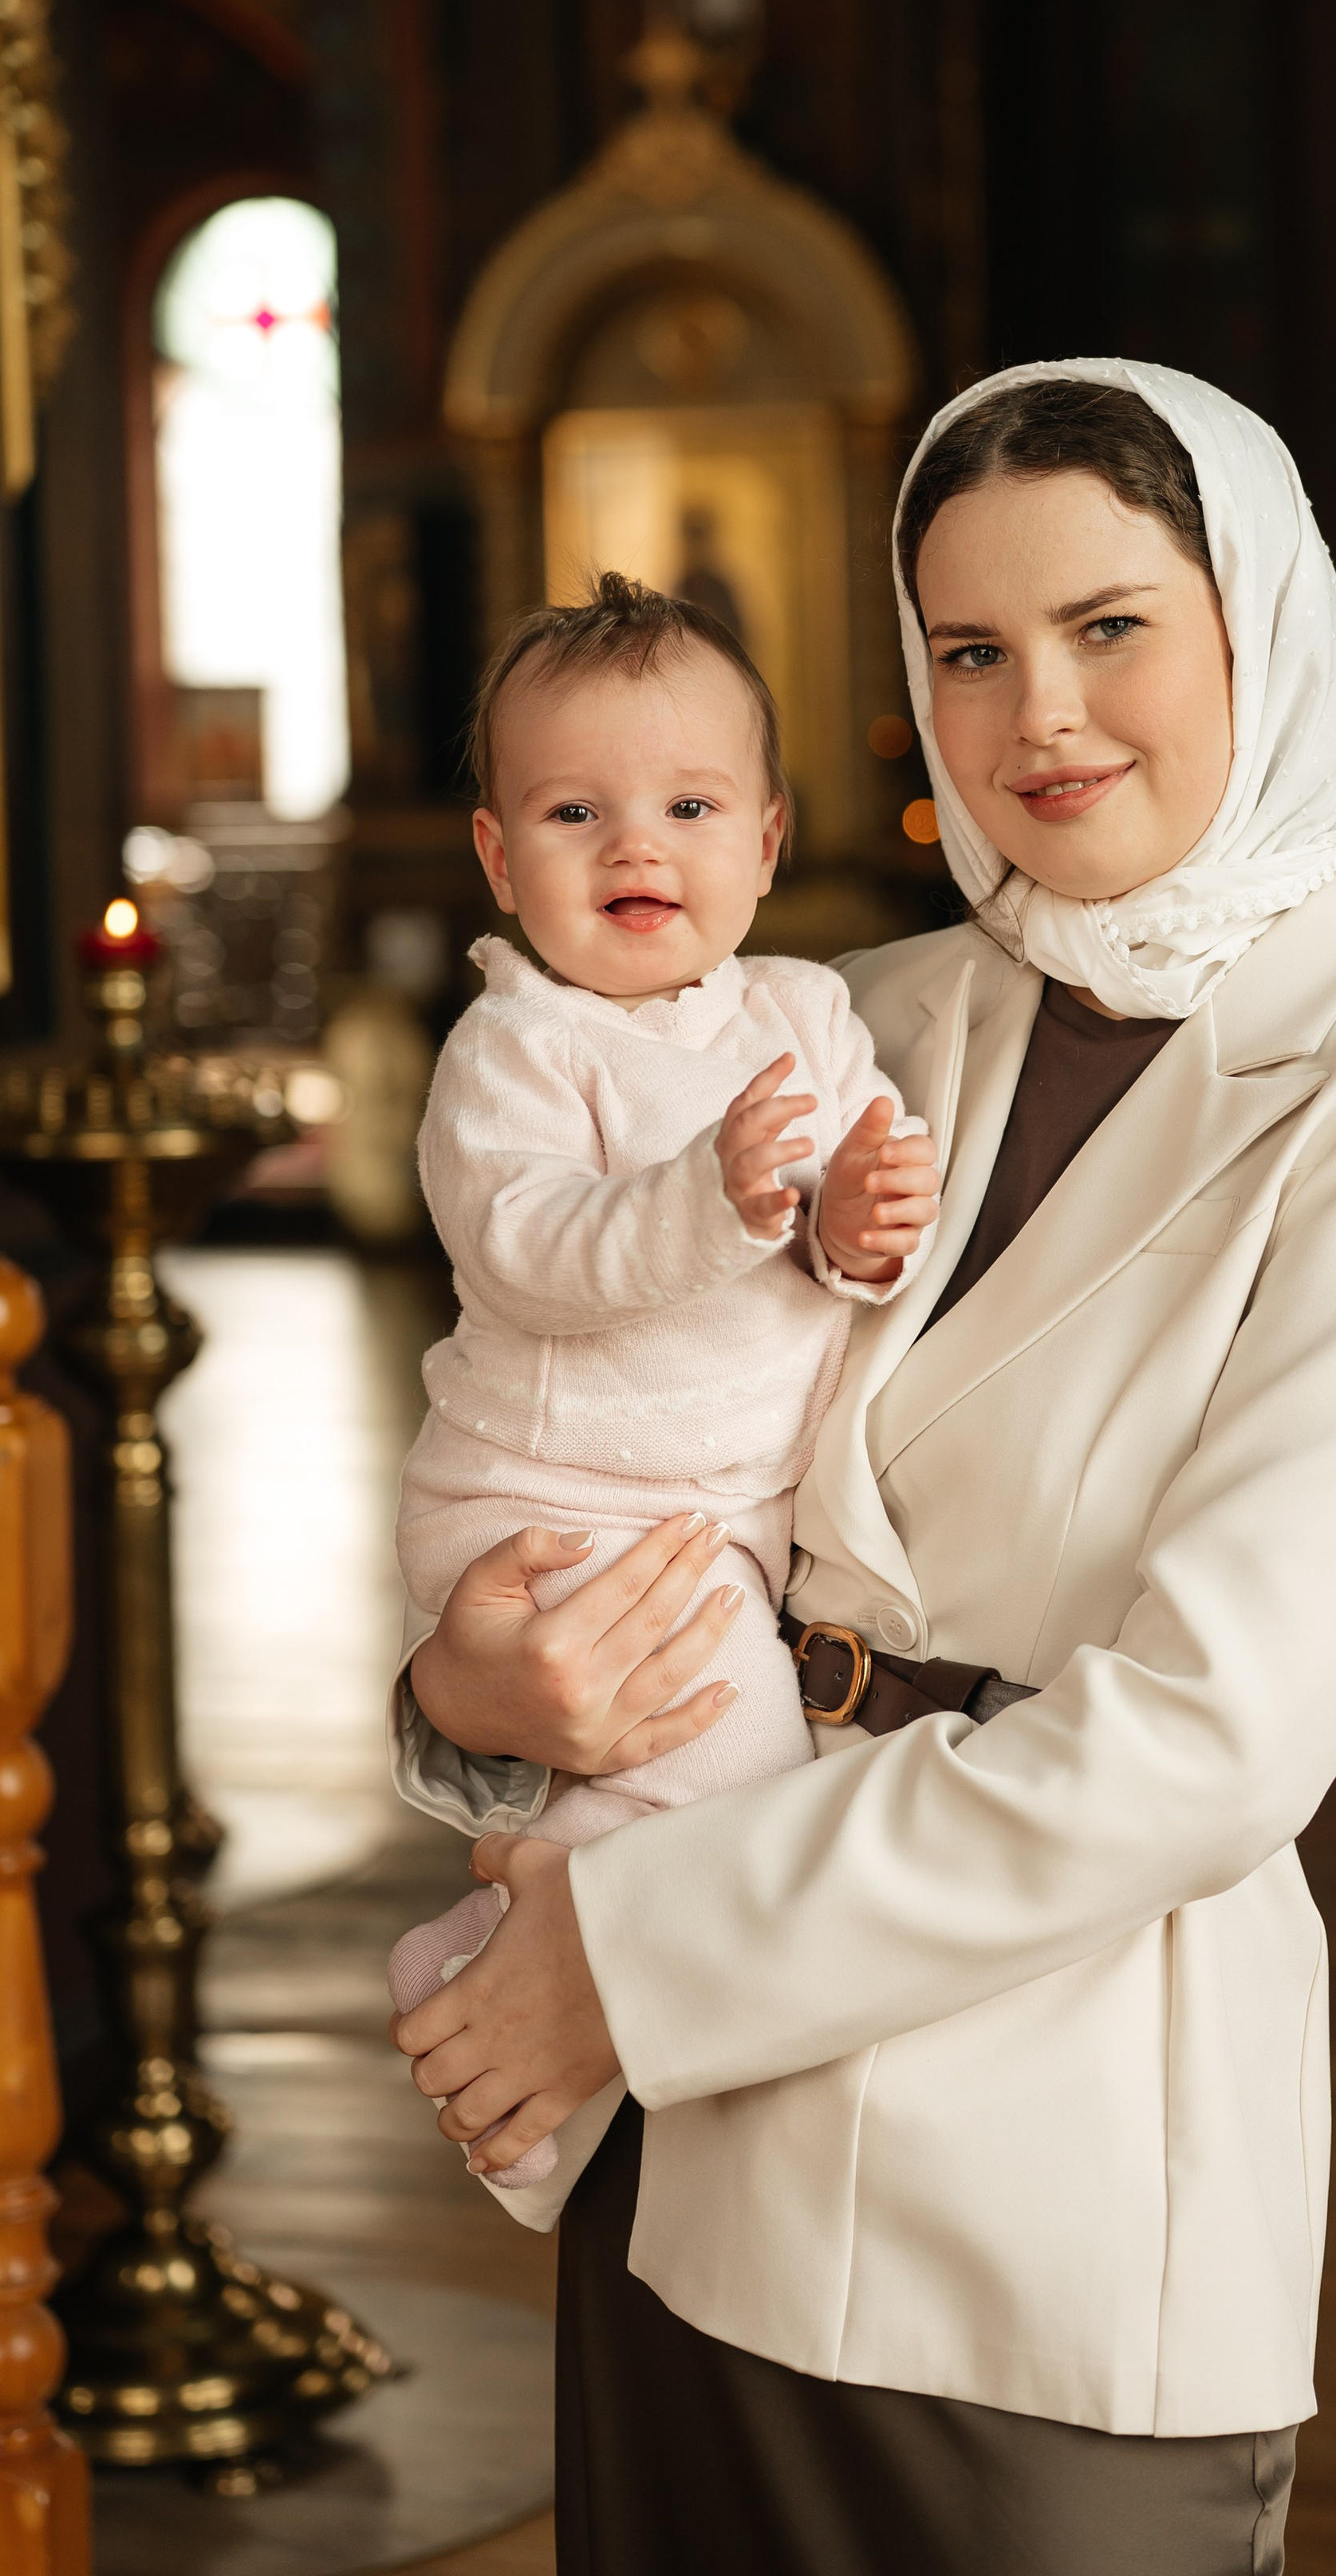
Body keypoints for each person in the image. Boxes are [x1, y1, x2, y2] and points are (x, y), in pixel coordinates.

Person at [392, 360, 1336, 2574]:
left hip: (1039, 2185)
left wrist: (631, 1959)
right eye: (967, 649)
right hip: (682, 2146)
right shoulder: (838, 1013)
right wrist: (467, 1700)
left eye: (1110, 626)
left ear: (1262, 621)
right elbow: (597, 1433)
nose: (1039, 715)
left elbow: (1211, 1742)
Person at [388, 576, 938, 2196]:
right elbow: (529, 1250)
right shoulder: (519, 1048)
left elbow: (850, 1235)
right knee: (726, 1770)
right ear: (500, 856)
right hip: (558, 1501)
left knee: (689, 1783)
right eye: (577, 812)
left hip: (719, 1510)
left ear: (765, 842)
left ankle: (488, 1960)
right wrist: (709, 1198)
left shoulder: (807, 1014)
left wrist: (854, 1227)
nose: (637, 847)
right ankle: (524, 2083)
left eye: (688, 808)